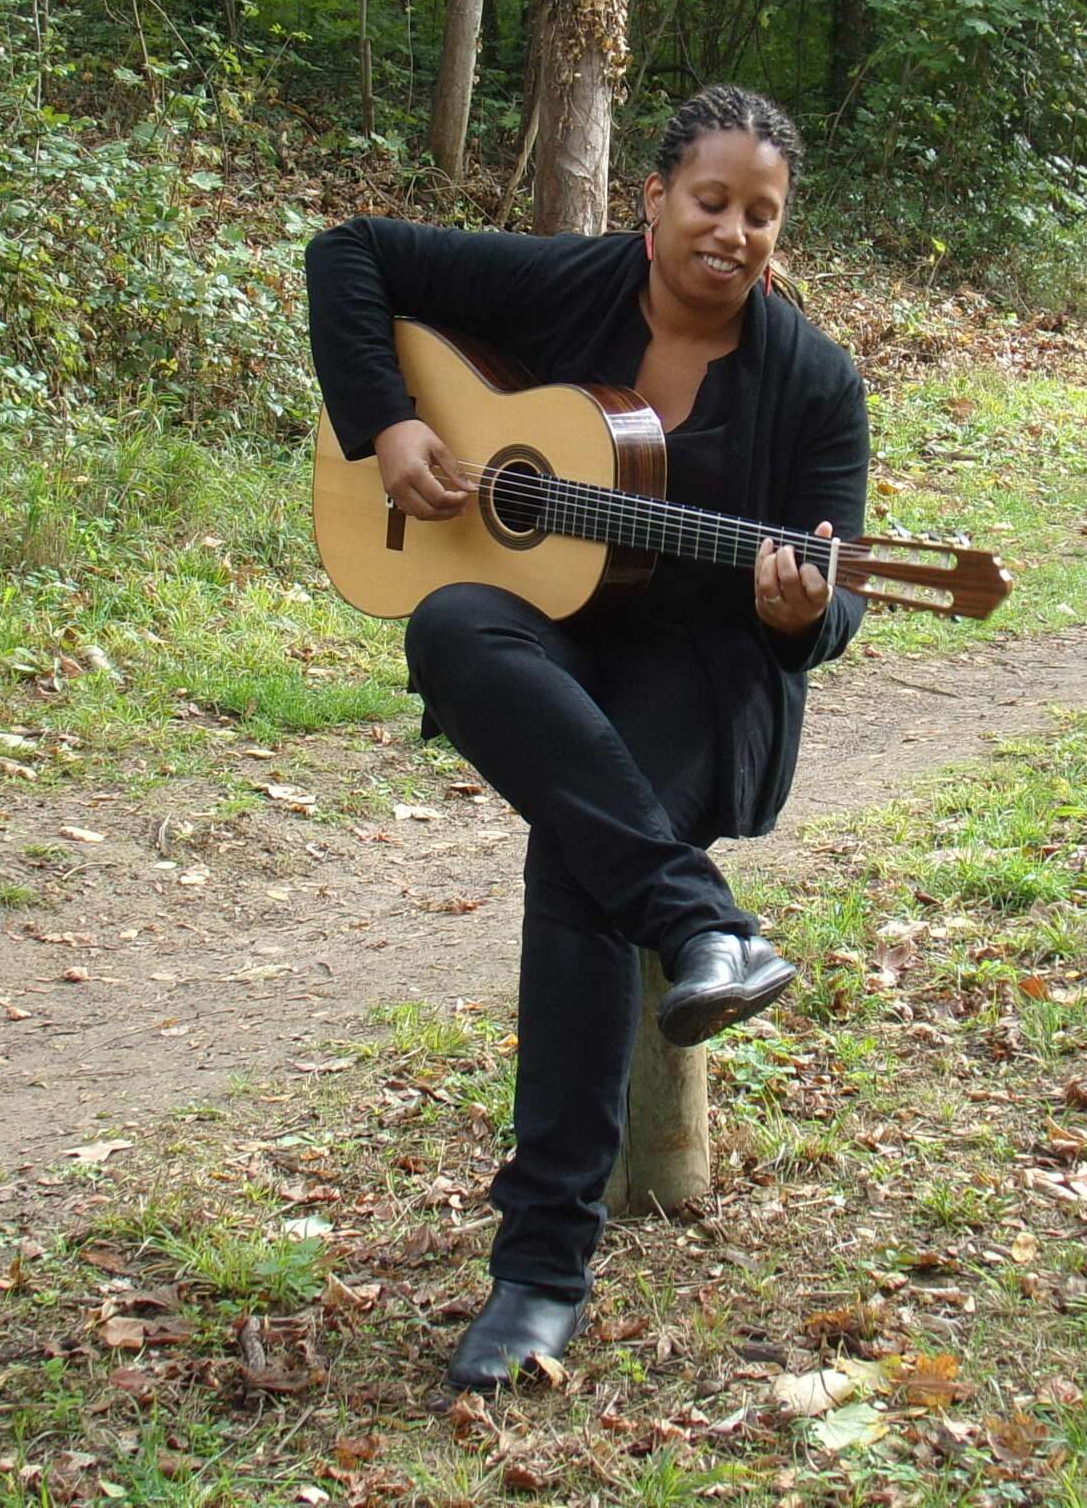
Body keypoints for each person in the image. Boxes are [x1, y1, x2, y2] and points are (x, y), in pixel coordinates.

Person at [304, 85, 870, 1389]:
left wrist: (803, 615)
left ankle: (538, 1277)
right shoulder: (576, 288)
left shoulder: (814, 384)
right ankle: (698, 924)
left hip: (712, 677)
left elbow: (835, 600)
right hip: (558, 649)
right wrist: (389, 423)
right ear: (654, 203)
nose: (734, 233)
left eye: (763, 217)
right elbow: (352, 254)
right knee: (450, 619)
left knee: (576, 857)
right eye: (712, 202)